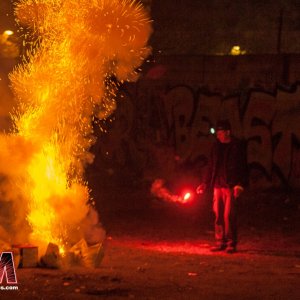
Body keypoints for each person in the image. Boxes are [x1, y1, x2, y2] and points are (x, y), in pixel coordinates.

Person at [196, 120, 247, 254]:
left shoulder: (237, 147)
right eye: (217, 133)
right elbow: (211, 166)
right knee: (218, 215)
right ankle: (220, 242)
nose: (218, 135)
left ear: (228, 132)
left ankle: (231, 243)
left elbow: (243, 167)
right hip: (217, 186)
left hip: (230, 186)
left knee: (229, 215)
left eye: (220, 133)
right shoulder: (216, 147)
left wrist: (240, 184)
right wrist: (205, 183)